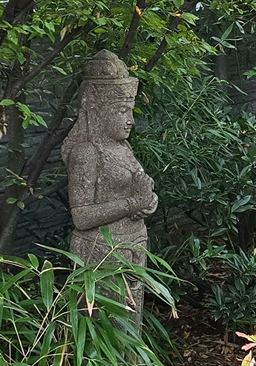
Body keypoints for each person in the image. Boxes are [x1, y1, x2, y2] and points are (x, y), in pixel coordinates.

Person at [62, 49, 158, 329]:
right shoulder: (86, 153)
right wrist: (133, 204)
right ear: (98, 109)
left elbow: (139, 189)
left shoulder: (123, 148)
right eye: (121, 111)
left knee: (131, 328)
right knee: (106, 330)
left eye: (130, 111)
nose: (130, 120)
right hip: (100, 251)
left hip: (134, 246)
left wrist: (148, 200)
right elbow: (81, 217)